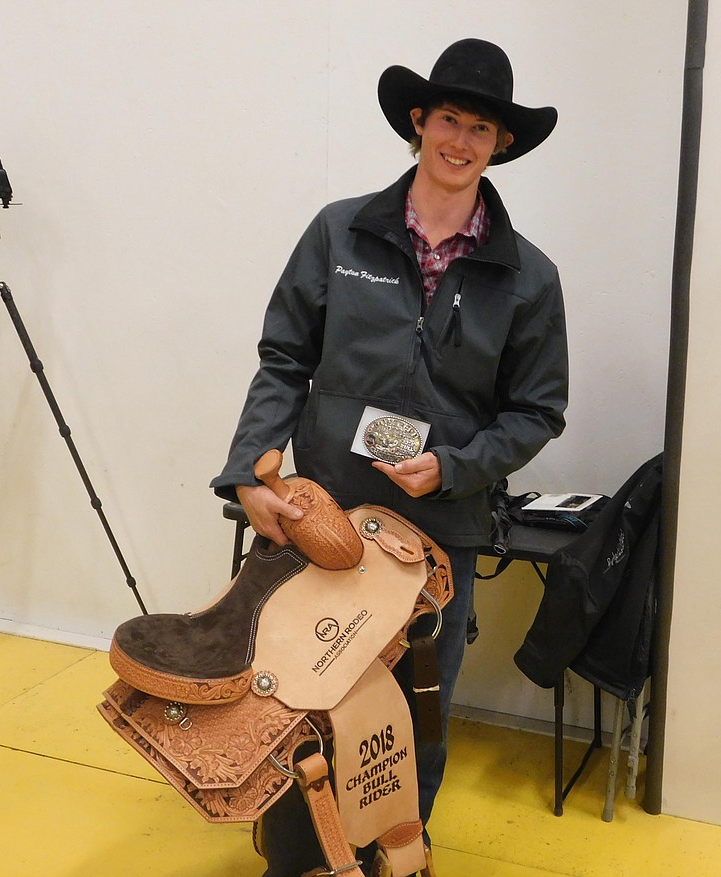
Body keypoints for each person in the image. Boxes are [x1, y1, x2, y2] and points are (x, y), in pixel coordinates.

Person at [210, 37, 568, 877]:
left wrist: (458, 465)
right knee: (304, 705)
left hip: (439, 534)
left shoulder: (529, 279)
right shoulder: (339, 232)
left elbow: (537, 409)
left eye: (482, 128)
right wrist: (247, 468)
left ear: (501, 144)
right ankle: (297, 862)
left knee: (413, 720)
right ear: (420, 121)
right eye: (450, 118)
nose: (462, 140)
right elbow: (283, 358)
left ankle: (391, 861)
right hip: (324, 517)